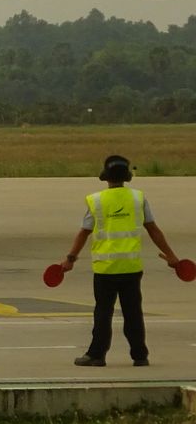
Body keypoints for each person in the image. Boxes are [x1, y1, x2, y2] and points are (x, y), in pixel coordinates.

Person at [59, 154, 182, 367]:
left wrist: (70, 259)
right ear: (127, 176)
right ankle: (140, 355)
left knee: (103, 313)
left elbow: (84, 233)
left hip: (106, 269)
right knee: (133, 313)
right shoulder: (138, 198)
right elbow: (153, 229)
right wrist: (171, 256)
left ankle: (97, 355)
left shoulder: (96, 201)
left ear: (105, 177)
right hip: (131, 268)